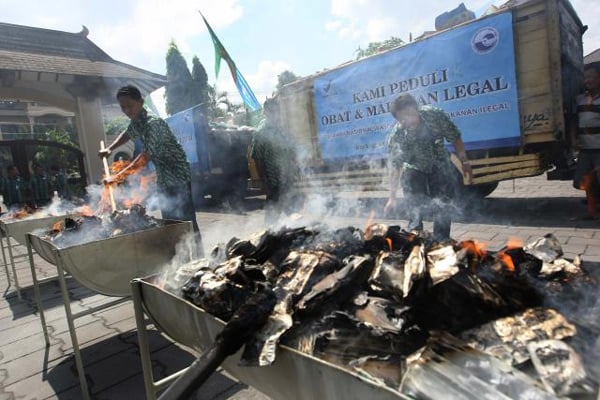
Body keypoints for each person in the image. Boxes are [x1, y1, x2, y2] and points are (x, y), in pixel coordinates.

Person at [99, 85, 204, 256]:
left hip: (178, 175)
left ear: (140, 102)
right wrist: (110, 149)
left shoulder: (153, 123)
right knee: (170, 222)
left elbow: (144, 157)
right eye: (122, 107)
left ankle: (200, 257)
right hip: (163, 176)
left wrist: (118, 177)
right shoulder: (138, 120)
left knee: (187, 221)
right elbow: (128, 133)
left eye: (129, 105)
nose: (126, 110)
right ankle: (178, 258)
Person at [384, 93, 472, 240]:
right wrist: (392, 197)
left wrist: (464, 162)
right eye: (401, 119)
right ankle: (414, 239)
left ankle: (441, 241)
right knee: (414, 206)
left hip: (440, 165)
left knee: (443, 205)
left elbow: (455, 137)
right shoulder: (397, 135)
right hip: (414, 169)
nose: (406, 121)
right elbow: (395, 167)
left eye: (408, 115)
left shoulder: (435, 116)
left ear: (416, 109)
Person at [250, 96, 300, 224]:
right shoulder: (261, 132)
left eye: (277, 110)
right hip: (273, 182)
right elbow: (257, 158)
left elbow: (292, 151)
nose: (275, 113)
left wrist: (296, 171)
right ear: (266, 112)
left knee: (294, 214)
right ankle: (267, 239)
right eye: (272, 110)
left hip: (288, 179)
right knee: (272, 218)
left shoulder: (282, 130)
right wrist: (264, 182)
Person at [572, 61, 600, 219]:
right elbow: (573, 121)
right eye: (586, 78)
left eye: (592, 77)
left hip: (599, 147)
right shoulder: (580, 99)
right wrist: (573, 138)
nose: (588, 80)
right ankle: (591, 212)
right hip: (585, 148)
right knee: (585, 181)